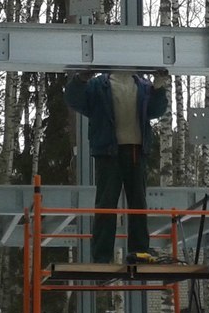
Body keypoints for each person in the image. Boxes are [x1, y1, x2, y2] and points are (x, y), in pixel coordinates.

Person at [65, 68, 169, 263]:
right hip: (109, 151)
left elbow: (156, 110)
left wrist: (158, 87)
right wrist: (80, 81)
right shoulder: (98, 86)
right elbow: (75, 100)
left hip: (134, 151)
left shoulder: (144, 87)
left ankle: (138, 252)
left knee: (137, 202)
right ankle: (103, 256)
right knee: (107, 203)